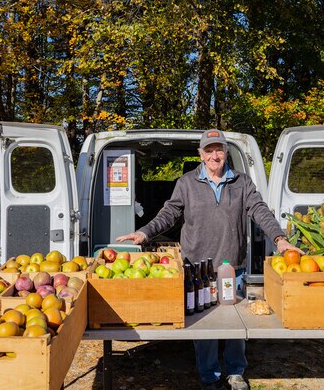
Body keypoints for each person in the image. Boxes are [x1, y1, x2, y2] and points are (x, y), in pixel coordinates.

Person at [116, 129, 303, 390]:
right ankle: (210, 376)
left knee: (234, 323)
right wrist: (144, 232)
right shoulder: (186, 183)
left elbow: (259, 210)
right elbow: (169, 213)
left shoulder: (242, 182)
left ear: (226, 152)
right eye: (209, 150)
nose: (215, 155)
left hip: (232, 266)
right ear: (200, 155)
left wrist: (280, 239)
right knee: (204, 325)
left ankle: (236, 372)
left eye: (219, 149)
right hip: (197, 268)